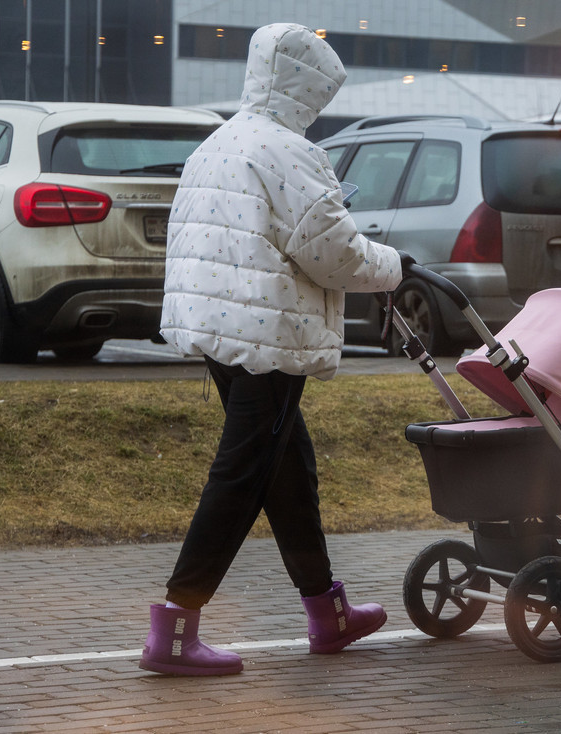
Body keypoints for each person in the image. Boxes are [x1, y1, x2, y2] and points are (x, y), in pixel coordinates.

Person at [139, 22, 410, 676]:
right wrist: (394, 265)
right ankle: (174, 629)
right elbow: (334, 255)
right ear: (306, 87)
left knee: (289, 468)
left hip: (223, 328)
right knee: (243, 475)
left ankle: (327, 612)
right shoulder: (290, 152)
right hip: (271, 332)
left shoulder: (219, 142)